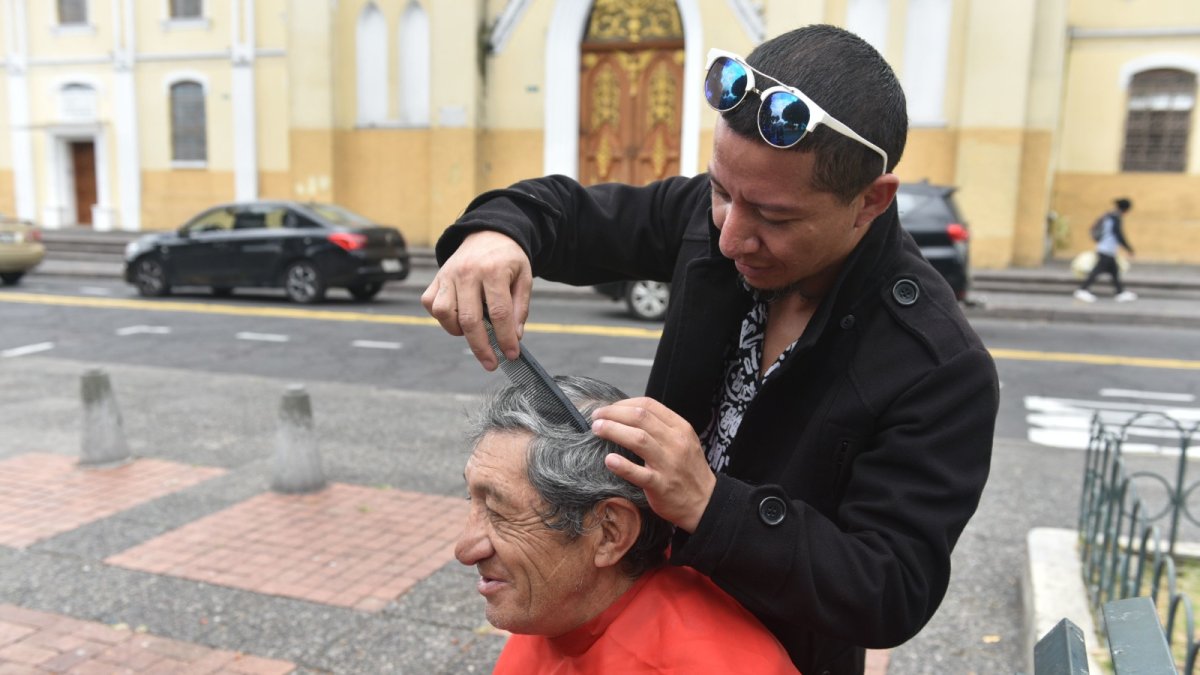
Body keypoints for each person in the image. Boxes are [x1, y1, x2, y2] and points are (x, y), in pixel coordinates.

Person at [425, 24, 998, 675]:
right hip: (639, 616)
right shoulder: (715, 220)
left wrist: (709, 502)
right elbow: (575, 214)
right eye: (721, 192)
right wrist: (499, 234)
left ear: (871, 200)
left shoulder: (937, 366)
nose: (730, 238)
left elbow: (890, 588)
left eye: (773, 218)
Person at [458, 375, 799, 674]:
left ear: (609, 533)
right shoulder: (560, 607)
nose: (464, 550)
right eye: (471, 501)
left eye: (500, 513)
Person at [1074, 197, 1136, 302]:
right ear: (1126, 209)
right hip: (1106, 249)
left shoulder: (1110, 216)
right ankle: (1082, 290)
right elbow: (1119, 234)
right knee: (1097, 271)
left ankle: (1120, 292)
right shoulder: (1115, 217)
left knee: (1114, 271)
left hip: (1107, 249)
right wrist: (1128, 248)